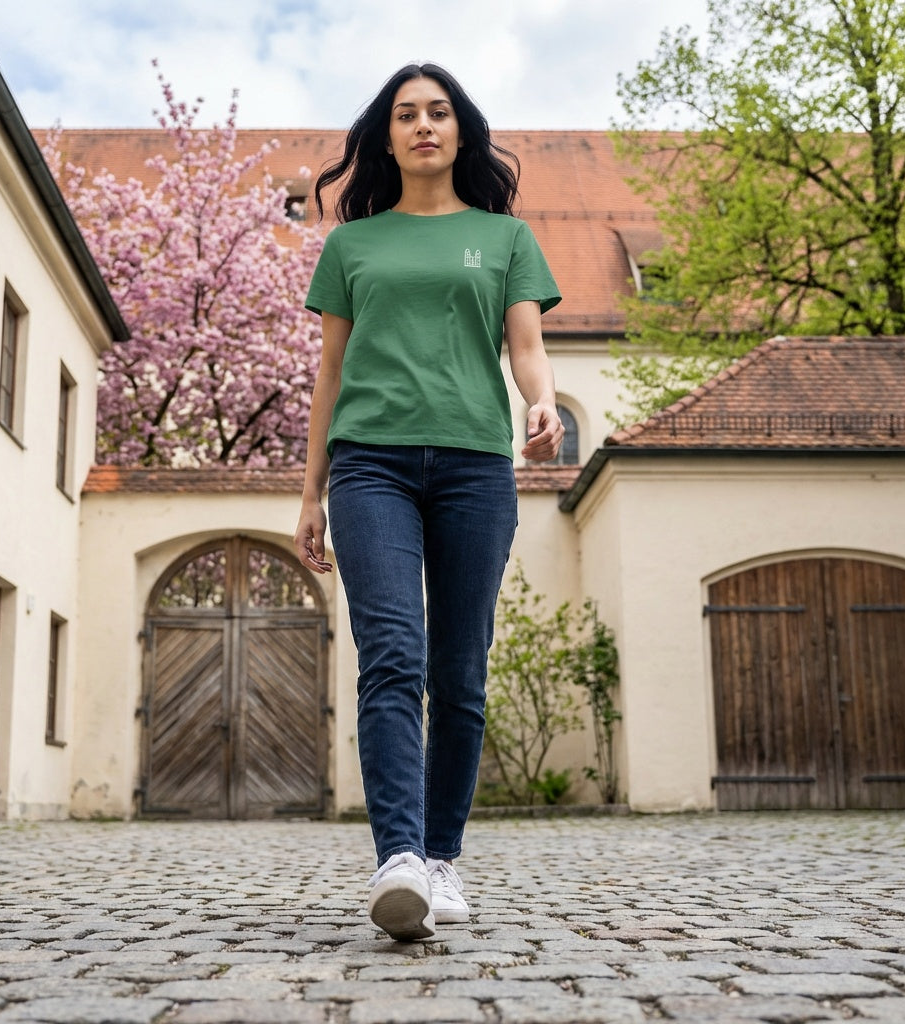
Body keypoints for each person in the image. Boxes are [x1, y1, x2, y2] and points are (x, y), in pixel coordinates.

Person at [293, 62, 563, 942]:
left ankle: (442, 858)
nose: (422, 125)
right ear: (387, 135)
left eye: (438, 112)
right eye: (406, 113)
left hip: (475, 469)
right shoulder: (353, 245)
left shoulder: (505, 235)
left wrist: (542, 402)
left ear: (460, 131)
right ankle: (399, 859)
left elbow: (526, 347)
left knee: (458, 671)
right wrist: (311, 493)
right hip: (369, 466)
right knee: (392, 656)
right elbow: (330, 373)